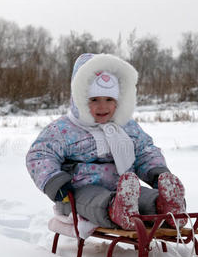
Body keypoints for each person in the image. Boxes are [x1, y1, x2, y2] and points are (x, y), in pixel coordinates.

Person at [26, 53, 186, 232]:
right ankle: (115, 210)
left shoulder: (127, 127)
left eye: (109, 99)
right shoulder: (64, 129)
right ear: (79, 99)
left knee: (143, 196)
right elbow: (40, 154)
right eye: (94, 100)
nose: (103, 107)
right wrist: (55, 182)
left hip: (125, 190)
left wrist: (156, 172)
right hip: (77, 192)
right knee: (96, 200)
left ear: (119, 101)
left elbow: (145, 150)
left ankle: (164, 206)